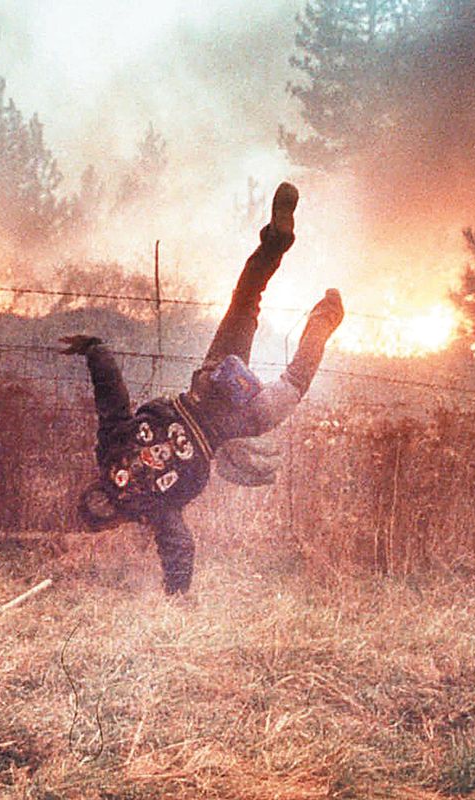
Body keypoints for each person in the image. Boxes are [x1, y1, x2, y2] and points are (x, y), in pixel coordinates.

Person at [60, 182, 344, 594]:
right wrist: (95, 350)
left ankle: (325, 318)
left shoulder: (150, 508)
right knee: (247, 300)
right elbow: (112, 398)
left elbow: (179, 546)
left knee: (296, 380)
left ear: (113, 520)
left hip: (241, 420)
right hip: (210, 386)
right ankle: (275, 244)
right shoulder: (110, 450)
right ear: (93, 484)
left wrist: (178, 596)